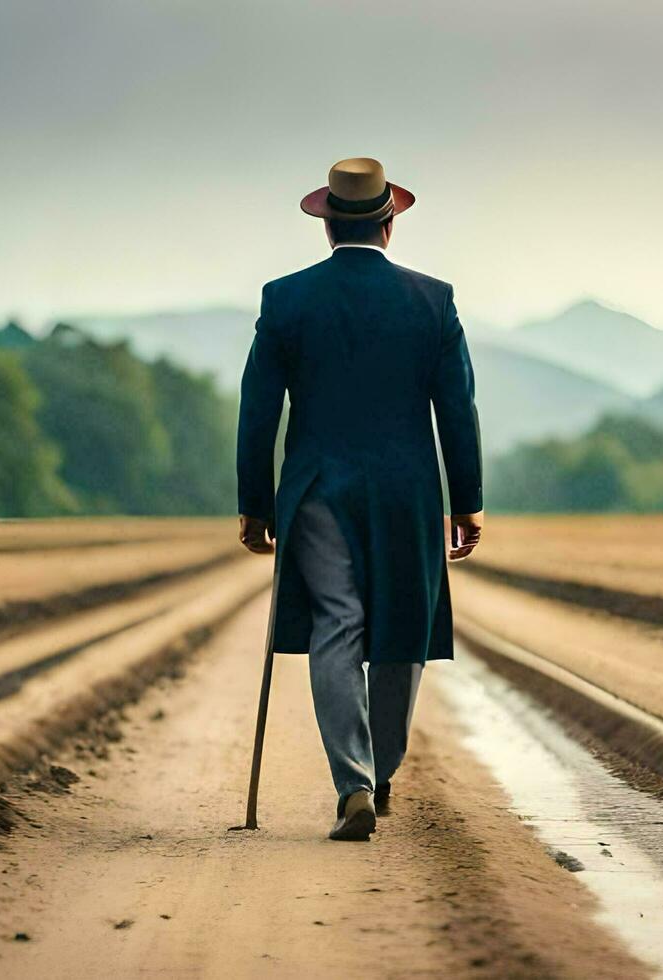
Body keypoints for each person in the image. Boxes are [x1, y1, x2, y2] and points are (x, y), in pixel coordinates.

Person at [236, 157, 484, 842]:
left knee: (336, 624)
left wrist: (255, 505)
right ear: (390, 221)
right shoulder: (433, 301)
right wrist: (468, 502)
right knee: (401, 628)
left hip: (317, 489)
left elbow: (258, 412)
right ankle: (378, 774)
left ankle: (352, 781)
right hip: (407, 490)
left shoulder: (285, 300)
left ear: (327, 227)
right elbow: (456, 410)